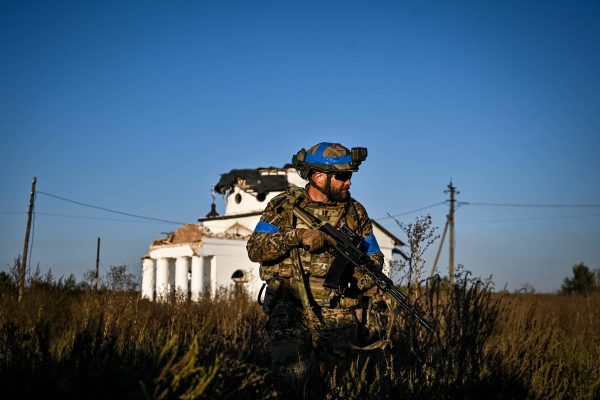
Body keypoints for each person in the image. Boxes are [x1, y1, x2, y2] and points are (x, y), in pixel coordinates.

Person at [246, 142, 386, 394]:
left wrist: (356, 272)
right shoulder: (284, 206)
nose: (349, 183)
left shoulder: (356, 211)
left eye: (350, 176)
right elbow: (255, 249)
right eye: (342, 176)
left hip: (338, 316)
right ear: (319, 177)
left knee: (336, 387)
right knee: (291, 386)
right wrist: (297, 237)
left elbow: (374, 256)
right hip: (290, 311)